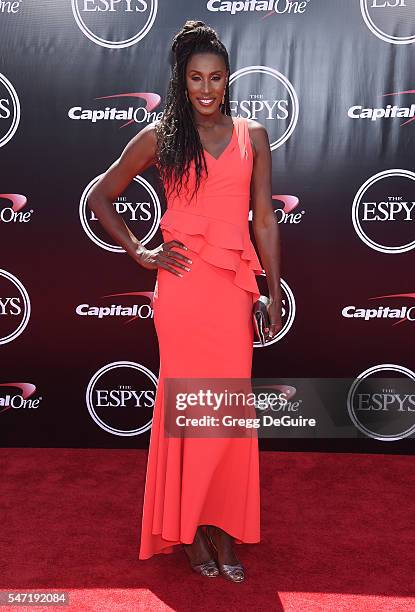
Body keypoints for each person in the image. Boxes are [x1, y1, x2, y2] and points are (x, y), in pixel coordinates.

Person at [87, 20, 282, 583]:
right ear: (180, 79)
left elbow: (264, 218)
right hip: (183, 293)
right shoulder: (160, 136)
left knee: (226, 413)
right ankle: (191, 529)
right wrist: (140, 253)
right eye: (195, 77)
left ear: (228, 81)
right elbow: (101, 194)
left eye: (215, 78)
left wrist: (271, 291)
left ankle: (222, 526)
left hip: (229, 293)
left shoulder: (254, 135)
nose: (205, 89)